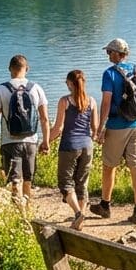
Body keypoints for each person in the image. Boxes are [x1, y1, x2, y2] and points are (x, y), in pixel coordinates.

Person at [90, 38, 136, 225]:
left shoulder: (109, 74)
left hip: (117, 126)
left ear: (117, 54)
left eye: (109, 52)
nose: (108, 55)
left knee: (109, 166)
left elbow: (106, 102)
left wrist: (100, 129)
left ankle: (105, 205)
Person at [0, 54, 49, 215]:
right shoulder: (36, 88)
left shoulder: (1, 89)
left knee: (14, 180)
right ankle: (28, 211)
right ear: (27, 69)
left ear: (10, 69)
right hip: (30, 141)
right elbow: (44, 118)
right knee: (28, 179)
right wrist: (46, 141)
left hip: (9, 141)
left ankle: (18, 214)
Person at [49, 69, 98, 231]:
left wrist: (45, 142)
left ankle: (78, 213)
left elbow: (58, 128)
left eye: (66, 82)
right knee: (82, 182)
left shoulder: (65, 101)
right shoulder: (91, 101)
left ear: (70, 84)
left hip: (69, 146)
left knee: (65, 183)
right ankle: (81, 217)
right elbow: (95, 128)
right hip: (87, 146)